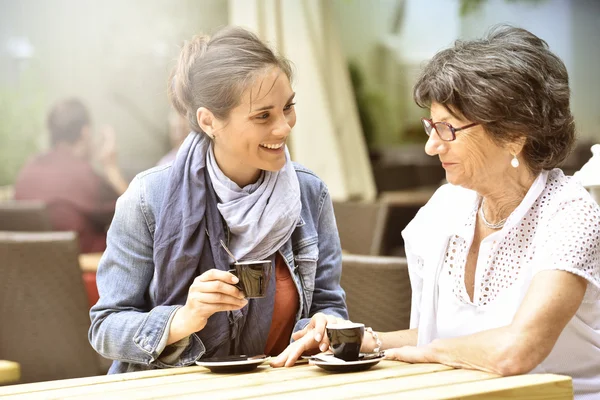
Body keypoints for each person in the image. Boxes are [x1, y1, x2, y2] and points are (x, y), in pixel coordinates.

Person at [357, 25, 600, 399]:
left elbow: (516, 351)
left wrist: (429, 354)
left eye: (447, 128)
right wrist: (359, 340)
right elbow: (437, 338)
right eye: (430, 126)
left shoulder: (569, 213)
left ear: (514, 135)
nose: (431, 146)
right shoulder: (445, 208)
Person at [89, 26, 349, 374]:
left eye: (288, 107)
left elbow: (329, 306)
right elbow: (104, 327)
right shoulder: (149, 197)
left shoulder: (309, 192)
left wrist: (323, 327)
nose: (284, 127)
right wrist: (183, 319)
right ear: (209, 121)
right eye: (263, 116)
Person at [14, 98, 129, 253]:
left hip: (30, 270)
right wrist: (111, 168)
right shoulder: (86, 177)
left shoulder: (27, 170)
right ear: (85, 132)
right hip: (83, 271)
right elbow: (135, 214)